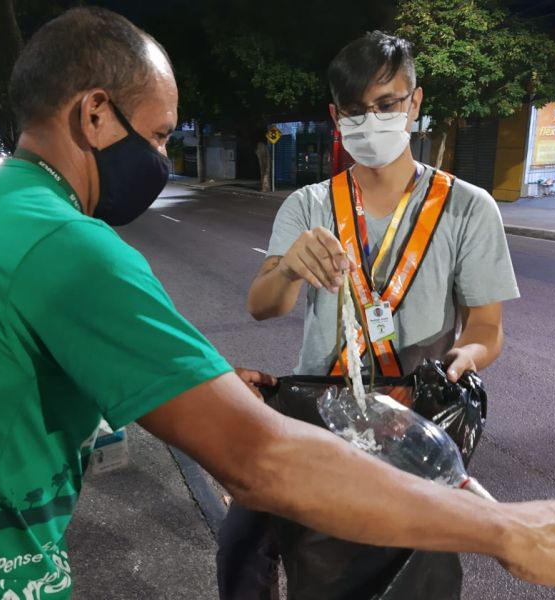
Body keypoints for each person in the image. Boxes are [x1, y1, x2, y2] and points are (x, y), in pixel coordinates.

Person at [0, 10, 555, 599]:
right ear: (97, 115)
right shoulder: (68, 247)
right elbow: (259, 459)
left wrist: (185, 389)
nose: (164, 157)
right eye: (162, 133)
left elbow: (5, 364)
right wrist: (498, 526)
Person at [217, 30, 533, 600]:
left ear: (414, 102)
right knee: (246, 544)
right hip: (324, 410)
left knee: (413, 577)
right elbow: (262, 306)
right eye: (356, 111)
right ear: (336, 117)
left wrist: (465, 358)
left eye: (387, 105)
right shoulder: (309, 205)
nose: (373, 120)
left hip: (415, 417)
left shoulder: (467, 208)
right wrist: (288, 268)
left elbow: (486, 327)